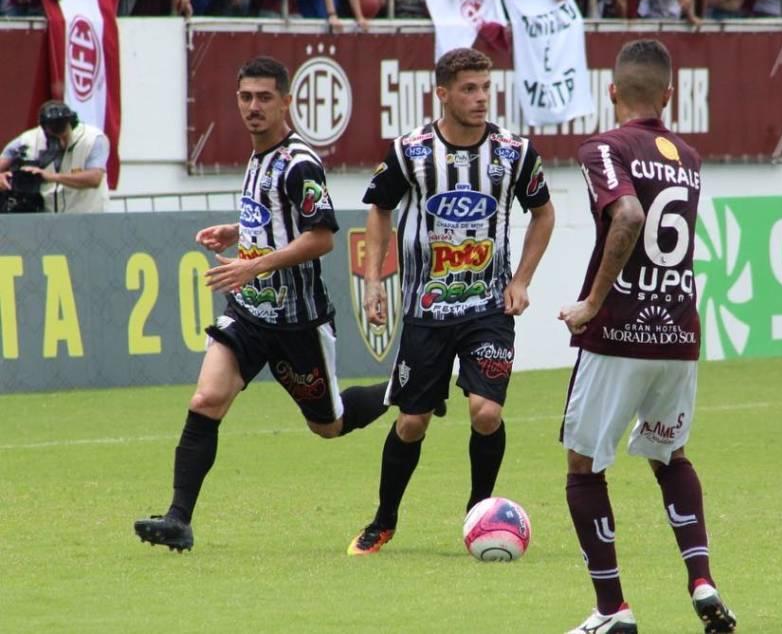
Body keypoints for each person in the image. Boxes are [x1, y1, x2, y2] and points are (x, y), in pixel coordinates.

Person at [133, 56, 389, 553]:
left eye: (264, 98)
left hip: (298, 322)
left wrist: (254, 263)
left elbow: (321, 239)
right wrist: (239, 232)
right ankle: (178, 519)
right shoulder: (258, 156)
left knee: (329, 426)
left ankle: (407, 384)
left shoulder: (300, 164)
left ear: (286, 102)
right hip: (251, 312)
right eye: (246, 97)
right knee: (206, 400)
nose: (253, 107)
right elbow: (277, 220)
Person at [347, 47, 555, 556]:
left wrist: (522, 279)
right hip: (426, 311)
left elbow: (544, 214)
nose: (481, 98)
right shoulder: (410, 152)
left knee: (485, 413)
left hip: (489, 307)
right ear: (442, 93)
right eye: (469, 89)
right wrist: (374, 281)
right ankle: (384, 520)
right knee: (412, 422)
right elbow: (379, 210)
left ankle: (478, 513)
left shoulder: (514, 152)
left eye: (486, 87)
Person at [558, 39, 736, 634]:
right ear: (670, 93)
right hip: (678, 331)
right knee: (670, 456)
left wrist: (592, 302)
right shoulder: (687, 155)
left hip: (618, 336)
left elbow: (629, 216)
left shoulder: (604, 148)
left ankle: (613, 611)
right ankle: (703, 579)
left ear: (612, 91)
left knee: (583, 468)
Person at [0, 100, 109, 213]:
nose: (61, 141)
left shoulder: (93, 139)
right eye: (55, 136)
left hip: (88, 216)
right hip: (48, 220)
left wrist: (51, 176)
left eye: (64, 134)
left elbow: (94, 178)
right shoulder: (28, 140)